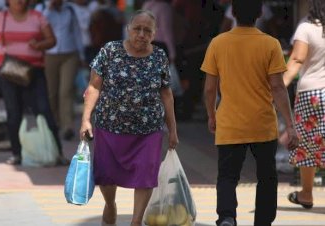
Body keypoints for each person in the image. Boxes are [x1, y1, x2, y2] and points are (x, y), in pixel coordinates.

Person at [201, 0, 299, 225]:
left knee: (227, 175)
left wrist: (212, 115)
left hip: (229, 123)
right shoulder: (270, 44)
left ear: (233, 13)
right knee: (267, 176)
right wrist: (290, 124)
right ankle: (263, 221)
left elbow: (209, 88)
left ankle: (227, 217)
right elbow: (277, 87)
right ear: (259, 14)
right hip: (262, 124)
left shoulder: (218, 43)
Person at [79, 10, 178, 226]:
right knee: (105, 175)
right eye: (137, 29)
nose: (141, 34)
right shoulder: (110, 50)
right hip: (109, 125)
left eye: (147, 31)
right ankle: (110, 204)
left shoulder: (159, 56)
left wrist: (173, 130)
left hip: (149, 129)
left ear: (154, 33)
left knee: (146, 173)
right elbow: (94, 86)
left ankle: (136, 221)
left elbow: (166, 94)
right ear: (128, 29)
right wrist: (86, 119)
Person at [0, 0, 66, 165]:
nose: (19, 1)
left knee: (44, 111)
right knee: (13, 113)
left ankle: (57, 152)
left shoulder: (38, 17)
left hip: (34, 72)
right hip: (8, 73)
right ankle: (17, 154)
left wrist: (39, 45)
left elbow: (52, 40)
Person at [283, 0, 325, 210]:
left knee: (307, 145)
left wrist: (280, 86)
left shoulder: (306, 27)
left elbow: (297, 59)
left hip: (312, 95)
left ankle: (306, 194)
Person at [37, 0, 85, 140]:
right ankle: (54, 123)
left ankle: (67, 126)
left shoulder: (69, 9)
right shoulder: (42, 9)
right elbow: (39, 26)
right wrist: (49, 9)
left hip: (70, 53)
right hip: (49, 54)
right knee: (51, 92)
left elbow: (77, 32)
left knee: (66, 90)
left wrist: (81, 55)